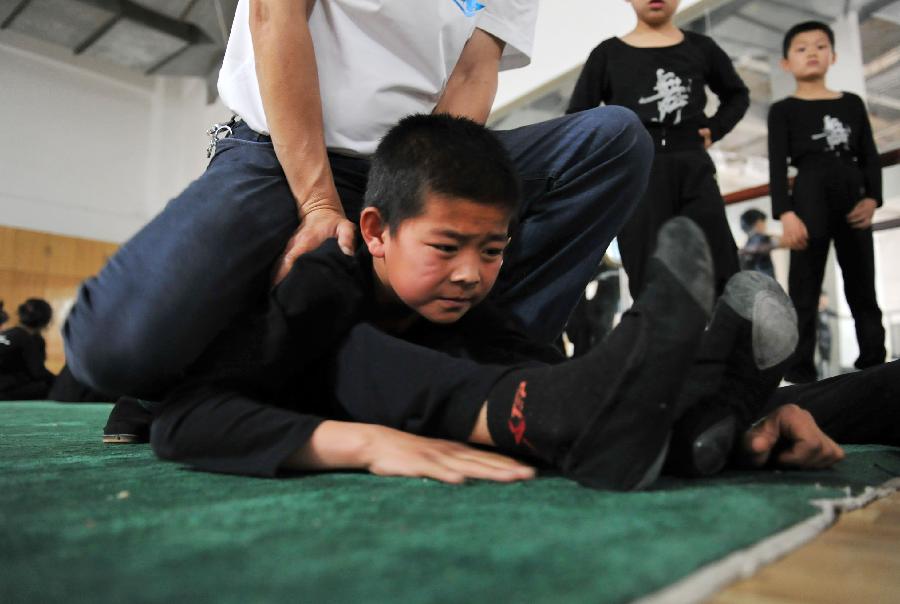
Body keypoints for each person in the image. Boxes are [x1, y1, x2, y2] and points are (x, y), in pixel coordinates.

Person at [147, 115, 843, 490]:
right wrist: (359, 444)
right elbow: (182, 421)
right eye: (445, 247)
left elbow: (522, 358)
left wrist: (711, 403)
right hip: (297, 385)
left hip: (475, 392)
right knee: (359, 354)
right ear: (376, 231)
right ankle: (594, 417)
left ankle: (701, 425)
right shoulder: (321, 286)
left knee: (531, 364)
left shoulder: (473, 301)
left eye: (492, 248)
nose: (470, 274)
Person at [63, 0, 653, 413]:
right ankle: (241, 368)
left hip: (408, 158)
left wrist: (423, 196)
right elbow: (276, 14)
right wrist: (317, 202)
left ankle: (475, 360)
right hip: (283, 151)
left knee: (613, 142)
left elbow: (474, 71)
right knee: (114, 348)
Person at [567, 0, 749, 297]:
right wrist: (609, 159)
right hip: (640, 171)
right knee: (648, 274)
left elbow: (737, 95)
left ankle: (725, 342)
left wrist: (715, 128)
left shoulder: (701, 48)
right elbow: (579, 116)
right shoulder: (608, 54)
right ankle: (657, 342)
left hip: (693, 164)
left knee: (721, 268)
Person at [768, 21, 885, 384]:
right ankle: (800, 376)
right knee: (802, 292)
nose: (812, 53)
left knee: (863, 287)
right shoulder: (782, 110)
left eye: (820, 46)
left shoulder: (851, 103)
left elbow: (870, 155)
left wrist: (873, 199)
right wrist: (786, 213)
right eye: (801, 49)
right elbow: (775, 166)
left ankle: (875, 367)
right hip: (808, 200)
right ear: (786, 63)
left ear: (833, 56)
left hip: (853, 200)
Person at [0, 298, 56, 400]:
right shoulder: (27, 338)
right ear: (46, 320)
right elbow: (38, 373)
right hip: (4, 391)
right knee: (49, 387)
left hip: (5, 384)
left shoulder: (8, 333)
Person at [738, 208, 781, 279]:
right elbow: (783, 241)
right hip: (764, 283)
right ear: (758, 223)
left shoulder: (748, 244)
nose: (765, 227)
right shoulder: (761, 239)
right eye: (764, 223)